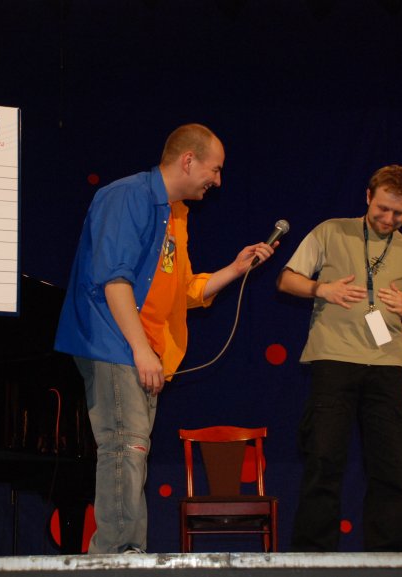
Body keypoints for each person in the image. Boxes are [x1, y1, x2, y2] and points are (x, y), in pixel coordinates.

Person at [54, 123, 276, 554]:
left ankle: (125, 550)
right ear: (188, 160)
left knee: (133, 449)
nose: (218, 181)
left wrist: (236, 269)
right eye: (215, 169)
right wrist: (140, 350)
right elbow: (114, 281)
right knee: (124, 446)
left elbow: (183, 291)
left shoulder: (175, 214)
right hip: (115, 341)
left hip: (147, 350)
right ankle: (117, 554)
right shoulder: (127, 196)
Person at [276, 164, 402, 552]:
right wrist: (322, 289)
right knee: (323, 459)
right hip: (333, 361)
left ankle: (392, 558)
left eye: (399, 213)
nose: (388, 219)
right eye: (382, 208)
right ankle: (313, 556)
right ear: (368, 196)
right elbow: (286, 279)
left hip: (387, 367)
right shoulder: (331, 231)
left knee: (392, 466)